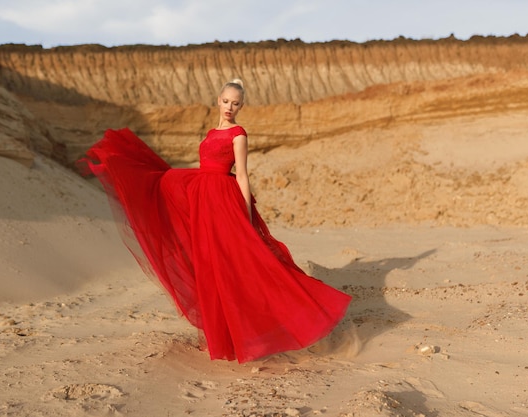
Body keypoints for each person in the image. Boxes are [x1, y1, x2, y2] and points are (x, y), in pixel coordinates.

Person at [78, 79, 351, 363]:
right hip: (203, 200)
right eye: (226, 101)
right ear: (218, 100)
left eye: (236, 103)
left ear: (241, 106)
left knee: (243, 266)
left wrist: (245, 217)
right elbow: (202, 169)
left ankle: (302, 317)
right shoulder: (210, 133)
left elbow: (243, 176)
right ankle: (225, 337)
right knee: (208, 264)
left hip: (224, 202)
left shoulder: (238, 134)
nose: (230, 107)